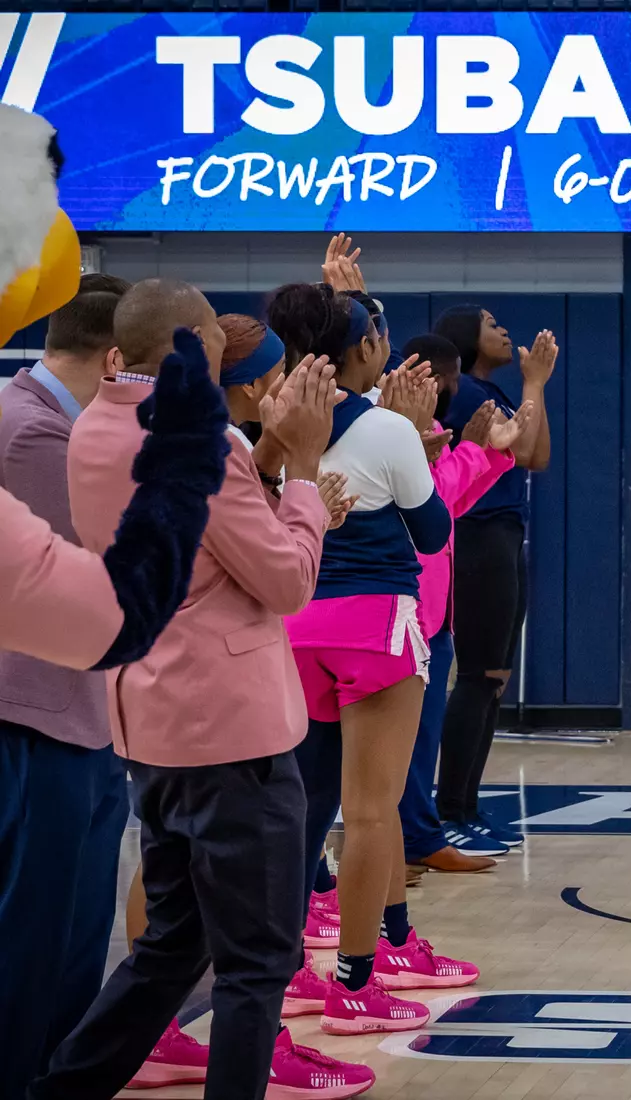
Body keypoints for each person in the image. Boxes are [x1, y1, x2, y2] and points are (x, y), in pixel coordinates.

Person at [36, 279, 363, 1100]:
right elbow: (285, 580)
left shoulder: (96, 427)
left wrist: (268, 461)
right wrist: (305, 478)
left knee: (174, 942)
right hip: (232, 729)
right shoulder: (200, 438)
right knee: (258, 963)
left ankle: (62, 1088)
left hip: (150, 718)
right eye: (214, 343)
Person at [267, 282, 477, 1036]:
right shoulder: (386, 429)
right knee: (370, 813)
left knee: (302, 809)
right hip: (376, 627)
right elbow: (430, 534)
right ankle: (359, 980)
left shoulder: (275, 417)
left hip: (293, 626)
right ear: (365, 349)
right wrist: (418, 444)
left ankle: (289, 968)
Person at [0, 280, 133, 1100]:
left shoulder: (70, 429)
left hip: (82, 719)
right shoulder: (30, 435)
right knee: (33, 942)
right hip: (32, 720)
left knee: (77, 943)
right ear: (118, 360)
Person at [396, 333, 530, 873]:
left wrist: (491, 455)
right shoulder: (393, 432)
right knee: (407, 740)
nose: (444, 389)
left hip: (434, 611)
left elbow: (446, 502)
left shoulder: (427, 432)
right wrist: (477, 451)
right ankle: (414, 839)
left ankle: (416, 838)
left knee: (421, 738)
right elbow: (424, 504)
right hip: (408, 612)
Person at [432, 305, 554, 854]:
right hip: (478, 539)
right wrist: (531, 383)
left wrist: (535, 387)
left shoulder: (499, 393)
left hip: (506, 537)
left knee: (494, 679)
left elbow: (536, 456)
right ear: (466, 339)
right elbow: (521, 449)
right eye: (490, 323)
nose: (505, 329)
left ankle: (470, 806)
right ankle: (450, 809)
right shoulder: (464, 395)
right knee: (479, 675)